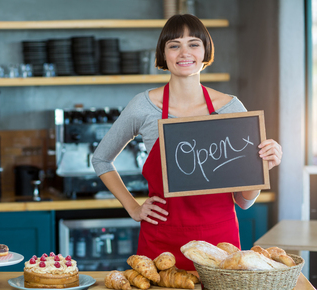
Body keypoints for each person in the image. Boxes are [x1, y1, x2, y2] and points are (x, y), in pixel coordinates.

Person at [91, 14, 282, 270]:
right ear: (163, 54)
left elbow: (244, 200)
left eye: (193, 44)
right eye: (174, 45)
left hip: (219, 245)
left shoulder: (231, 108)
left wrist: (262, 167)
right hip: (161, 240)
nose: (184, 52)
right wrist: (133, 208)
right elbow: (101, 159)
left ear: (205, 51)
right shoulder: (143, 106)